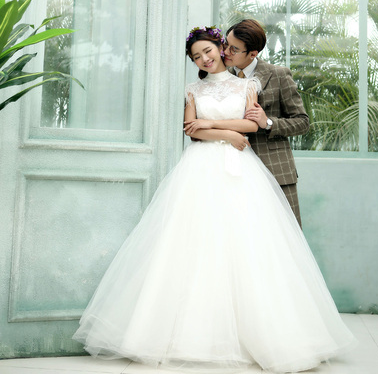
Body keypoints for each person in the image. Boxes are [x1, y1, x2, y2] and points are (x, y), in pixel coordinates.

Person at [72, 26, 355, 373]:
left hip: (242, 169)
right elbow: (190, 129)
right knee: (195, 243)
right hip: (200, 169)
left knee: (247, 244)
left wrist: (213, 127)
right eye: (196, 56)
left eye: (208, 51)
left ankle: (268, 332)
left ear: (221, 49)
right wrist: (223, 134)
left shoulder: (248, 85)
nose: (204, 58)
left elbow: (251, 125)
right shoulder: (193, 89)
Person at [224, 19, 309, 227]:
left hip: (275, 170)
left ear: (252, 54)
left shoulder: (278, 75)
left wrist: (268, 122)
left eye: (234, 49)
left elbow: (302, 122)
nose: (226, 51)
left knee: (284, 235)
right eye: (226, 44)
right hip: (232, 170)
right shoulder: (222, 77)